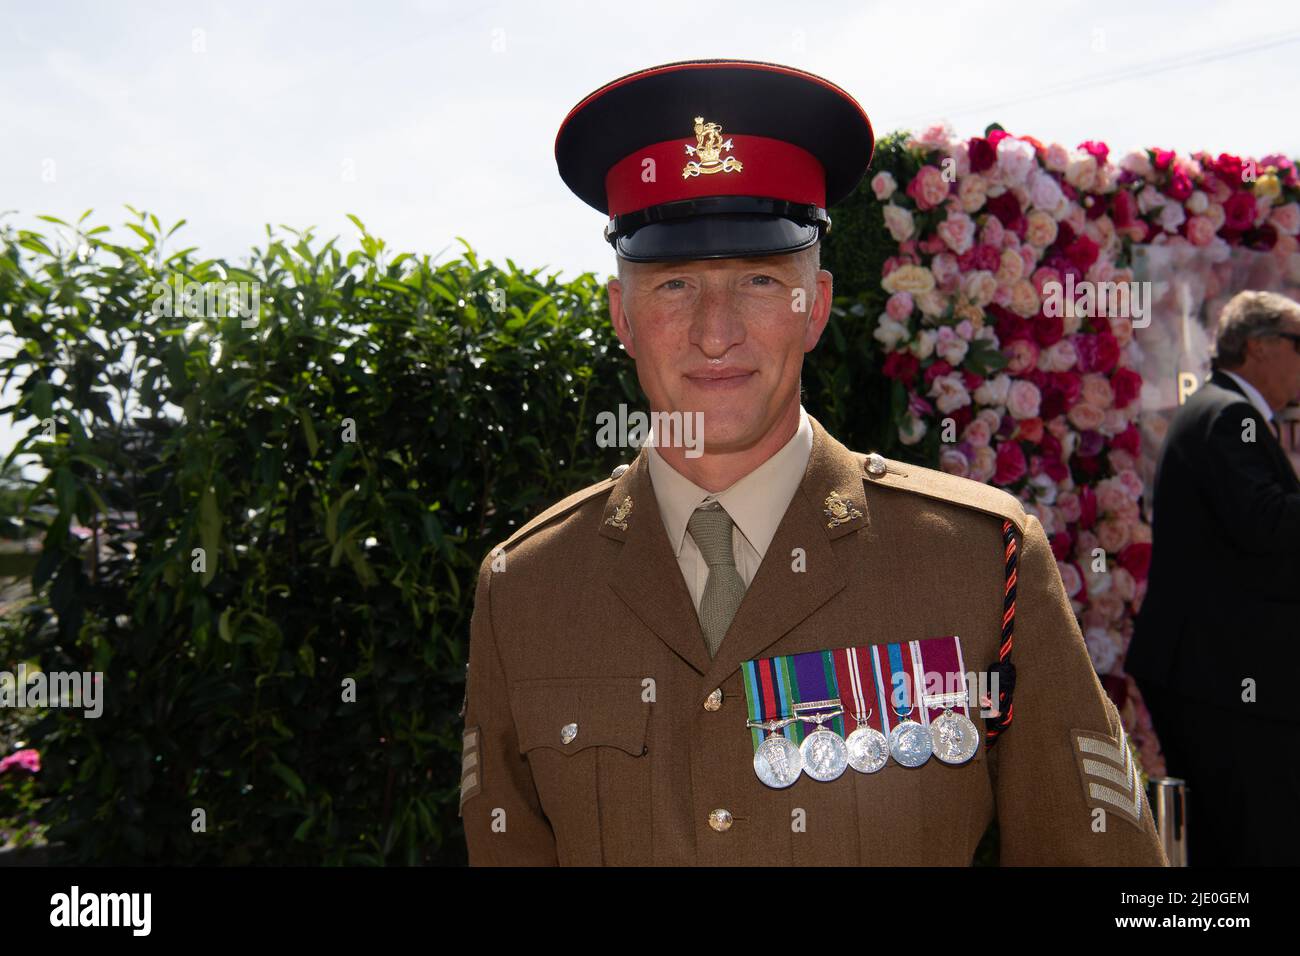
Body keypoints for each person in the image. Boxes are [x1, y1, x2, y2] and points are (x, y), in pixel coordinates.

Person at [458, 58, 1168, 866]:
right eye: (675, 285)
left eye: (760, 280)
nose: (716, 332)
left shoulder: (980, 560)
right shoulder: (526, 591)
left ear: (815, 308)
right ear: (622, 315)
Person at [1127, 289, 1300, 866]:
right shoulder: (1231, 415)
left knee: (1232, 837)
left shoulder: (1224, 410)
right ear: (1258, 345)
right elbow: (1269, 525)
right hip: (1224, 675)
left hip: (1218, 672)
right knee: (1250, 840)